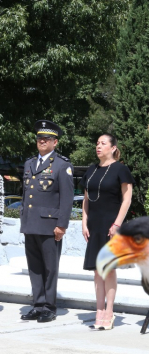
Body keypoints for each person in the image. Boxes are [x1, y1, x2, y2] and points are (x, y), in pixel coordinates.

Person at [20, 120, 74, 323]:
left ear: (55, 142)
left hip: (50, 225)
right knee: (34, 266)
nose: (42, 141)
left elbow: (67, 199)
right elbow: (26, 195)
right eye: (39, 138)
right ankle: (38, 304)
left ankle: (49, 307)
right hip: (31, 224)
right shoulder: (29, 163)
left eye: (47, 138)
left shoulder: (62, 165)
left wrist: (62, 225)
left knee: (50, 267)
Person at [81, 134, 133, 330]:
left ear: (113, 148)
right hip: (94, 225)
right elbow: (86, 199)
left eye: (103, 143)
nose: (98, 146)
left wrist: (117, 224)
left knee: (108, 269)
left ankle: (109, 311)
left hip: (112, 225)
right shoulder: (91, 170)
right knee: (96, 270)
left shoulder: (121, 169)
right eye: (97, 143)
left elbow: (127, 199)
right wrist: (84, 223)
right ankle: (99, 310)